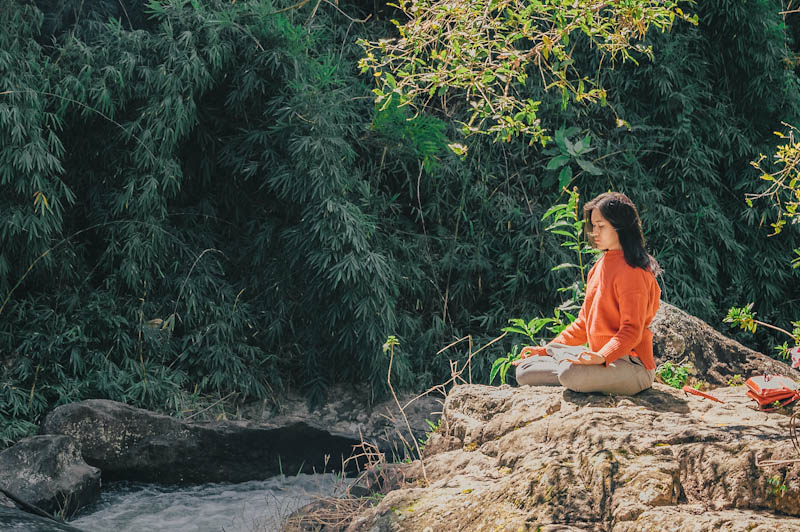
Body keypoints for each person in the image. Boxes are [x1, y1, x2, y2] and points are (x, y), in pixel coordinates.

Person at [513, 192, 662, 395]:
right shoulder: (599, 266)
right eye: (593, 226)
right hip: (598, 360)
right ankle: (573, 368)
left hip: (633, 366)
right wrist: (546, 349)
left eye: (601, 226)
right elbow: (583, 324)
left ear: (621, 227)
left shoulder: (633, 272)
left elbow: (631, 331)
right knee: (525, 370)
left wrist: (601, 356)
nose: (594, 233)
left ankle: (577, 371)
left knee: (570, 373)